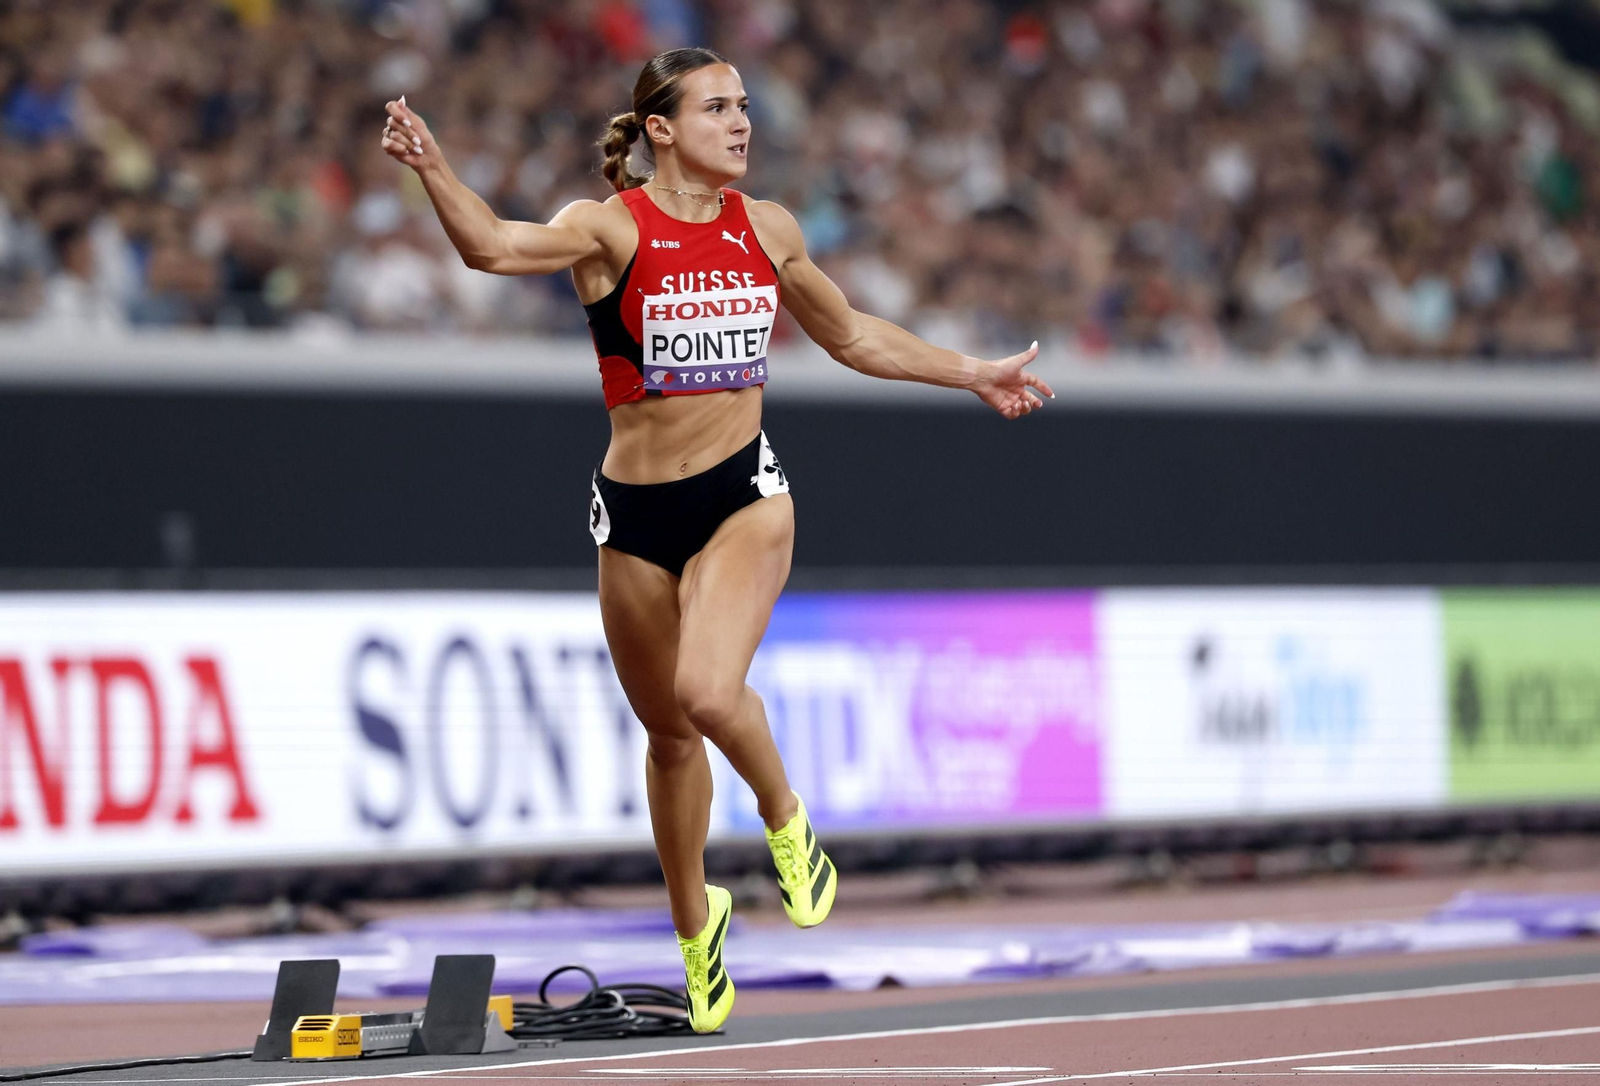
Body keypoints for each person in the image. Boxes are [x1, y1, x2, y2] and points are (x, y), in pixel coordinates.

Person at [381, 47, 1052, 1033]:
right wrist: (434, 168)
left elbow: (854, 334)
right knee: (667, 734)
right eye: (716, 108)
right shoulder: (605, 227)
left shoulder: (766, 228)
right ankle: (699, 933)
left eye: (744, 106)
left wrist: (971, 372)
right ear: (660, 127)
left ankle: (788, 821)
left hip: (744, 497)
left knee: (704, 691)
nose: (741, 123)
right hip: (634, 515)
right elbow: (490, 247)